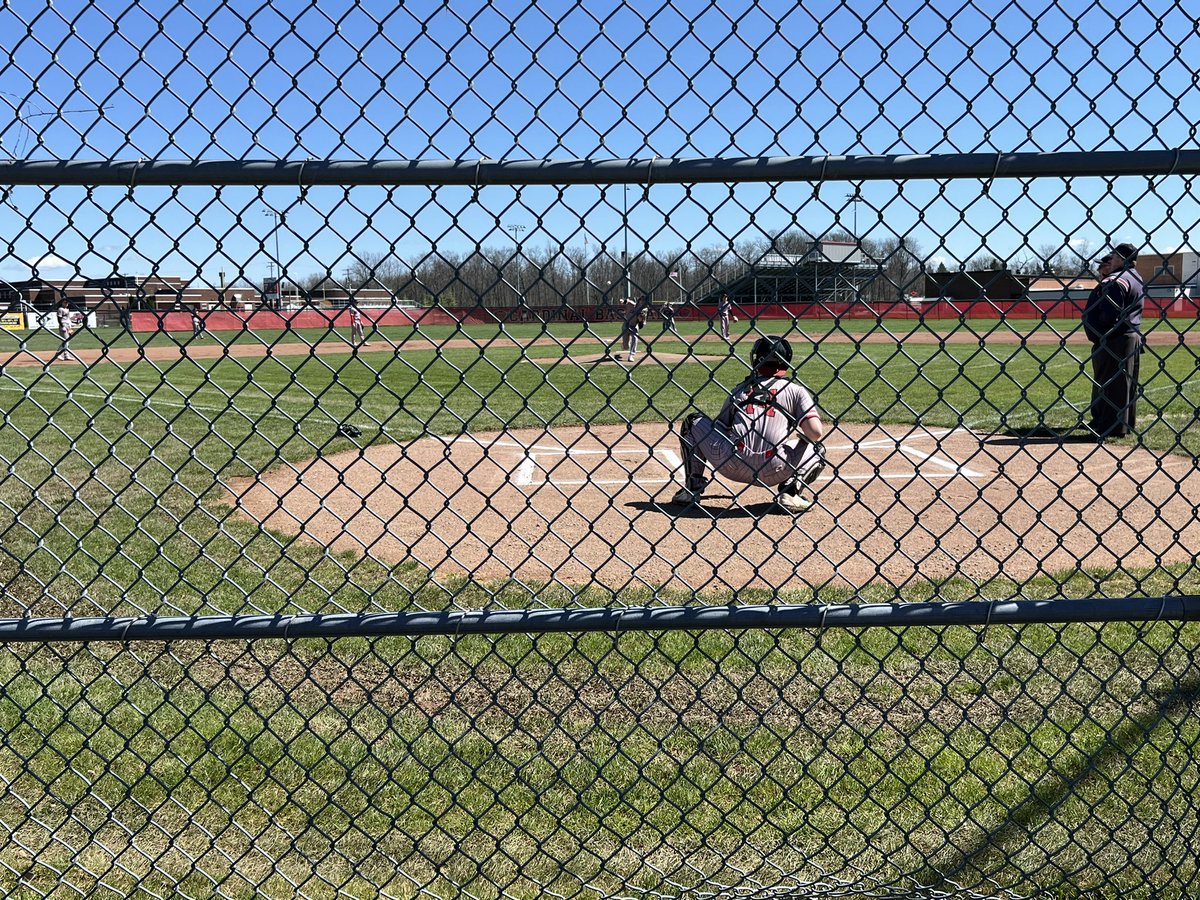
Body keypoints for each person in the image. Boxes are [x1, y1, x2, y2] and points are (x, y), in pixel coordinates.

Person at [672, 335, 828, 513]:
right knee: (818, 448)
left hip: (730, 463)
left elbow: (721, 428)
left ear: (757, 360)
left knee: (693, 421)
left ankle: (691, 490)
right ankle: (790, 492)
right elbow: (815, 432)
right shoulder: (795, 390)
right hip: (776, 468)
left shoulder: (741, 389)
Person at [1082, 243, 1145, 438]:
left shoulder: (1117, 280)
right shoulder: (1135, 277)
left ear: (1119, 259)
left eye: (1114, 256)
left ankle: (1109, 426)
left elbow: (1110, 314)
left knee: (1111, 383)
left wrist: (1099, 331)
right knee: (1124, 384)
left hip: (1114, 339)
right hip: (1128, 335)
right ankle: (1123, 423)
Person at [48, 298, 84, 365]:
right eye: (65, 303)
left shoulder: (67, 309)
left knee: (68, 340)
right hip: (63, 325)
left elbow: (68, 319)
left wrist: (70, 326)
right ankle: (58, 353)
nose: (66, 304)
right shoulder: (60, 309)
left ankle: (66, 355)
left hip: (68, 326)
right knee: (65, 340)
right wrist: (62, 326)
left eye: (67, 303)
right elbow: (59, 319)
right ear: (62, 303)